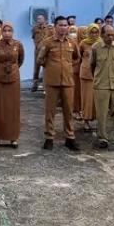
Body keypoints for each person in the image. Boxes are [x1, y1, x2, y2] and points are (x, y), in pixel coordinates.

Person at [37, 16, 80, 151]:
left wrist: (68, 67)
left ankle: (70, 137)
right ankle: (49, 138)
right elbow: (40, 59)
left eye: (65, 25)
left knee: (68, 111)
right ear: (55, 27)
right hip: (52, 81)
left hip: (68, 81)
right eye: (60, 25)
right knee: (50, 111)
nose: (63, 27)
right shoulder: (48, 42)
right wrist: (51, 67)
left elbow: (77, 58)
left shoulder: (72, 43)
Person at [0, 23, 25, 148]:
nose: (7, 33)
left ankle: (13, 138)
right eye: (5, 31)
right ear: (1, 32)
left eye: (9, 31)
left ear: (13, 32)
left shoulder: (18, 44)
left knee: (13, 108)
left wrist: (14, 69)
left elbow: (20, 60)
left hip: (14, 79)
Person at [90, 24, 114, 149]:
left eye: (112, 34)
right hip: (101, 85)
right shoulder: (96, 48)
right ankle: (102, 138)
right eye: (108, 35)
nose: (110, 37)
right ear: (102, 35)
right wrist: (98, 78)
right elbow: (92, 66)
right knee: (102, 114)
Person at [78, 24, 100, 131]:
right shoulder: (84, 43)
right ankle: (86, 120)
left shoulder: (101, 43)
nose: (94, 34)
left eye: (96, 32)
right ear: (88, 33)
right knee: (87, 98)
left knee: (97, 99)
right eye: (92, 32)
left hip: (98, 74)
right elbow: (78, 56)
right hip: (86, 73)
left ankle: (97, 120)